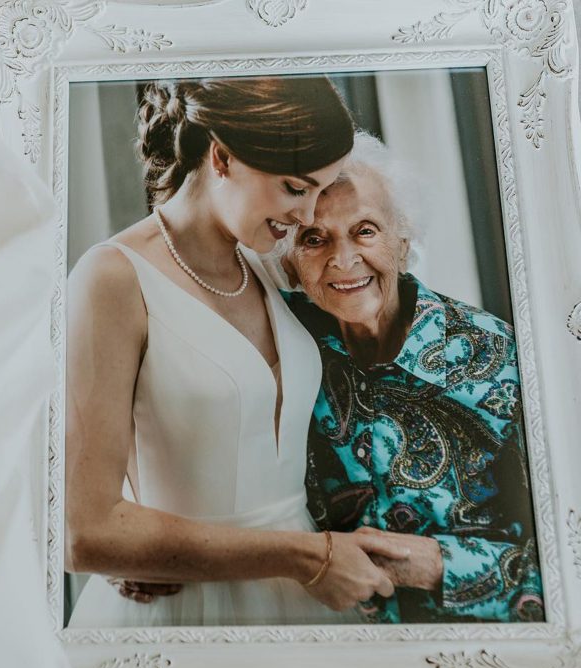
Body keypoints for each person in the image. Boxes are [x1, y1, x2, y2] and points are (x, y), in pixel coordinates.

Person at [65, 77, 414, 628]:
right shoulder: (112, 278)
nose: (307, 217)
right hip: (183, 609)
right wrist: (306, 556)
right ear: (222, 157)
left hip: (309, 600)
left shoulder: (270, 264)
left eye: (319, 192)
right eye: (295, 188)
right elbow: (82, 532)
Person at [282, 133, 544, 623]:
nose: (342, 259)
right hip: (334, 640)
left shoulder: (500, 356)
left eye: (364, 231)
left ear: (404, 241)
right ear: (290, 262)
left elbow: (565, 554)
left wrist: (441, 566)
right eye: (314, 238)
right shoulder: (280, 343)